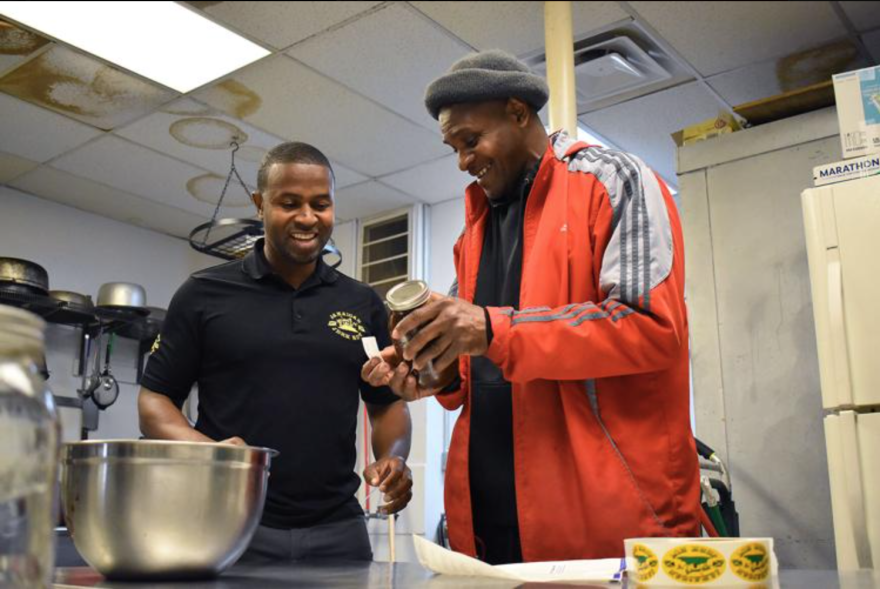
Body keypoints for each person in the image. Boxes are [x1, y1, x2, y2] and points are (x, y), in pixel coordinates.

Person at [362, 50, 702, 564]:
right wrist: (432, 369)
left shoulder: (613, 180)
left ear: (519, 113)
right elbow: (480, 361)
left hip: (608, 531)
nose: (462, 161)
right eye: (454, 147)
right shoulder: (472, 232)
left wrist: (488, 329)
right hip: (489, 527)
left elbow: (650, 327)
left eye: (471, 140)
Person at [139, 142, 413, 562]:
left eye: (321, 204)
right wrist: (204, 449)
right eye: (290, 203)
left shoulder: (363, 303)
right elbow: (154, 400)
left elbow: (385, 404)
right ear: (259, 204)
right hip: (228, 524)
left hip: (339, 529)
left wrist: (393, 459)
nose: (307, 218)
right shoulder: (203, 295)